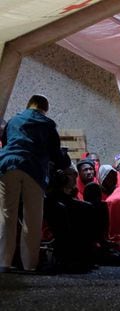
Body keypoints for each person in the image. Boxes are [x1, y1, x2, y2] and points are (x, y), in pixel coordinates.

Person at [0, 94, 70, 272]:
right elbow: (56, 155)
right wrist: (64, 158)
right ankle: (30, 265)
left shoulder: (14, 120)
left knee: (6, 215)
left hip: (7, 166)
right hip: (33, 168)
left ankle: (3, 263)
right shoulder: (47, 124)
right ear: (45, 109)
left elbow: (5, 142)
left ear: (28, 105)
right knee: (32, 217)